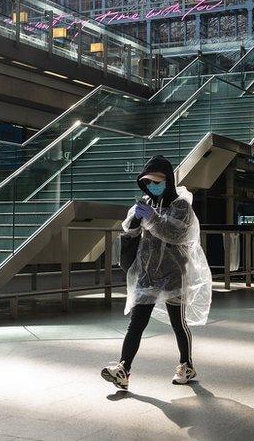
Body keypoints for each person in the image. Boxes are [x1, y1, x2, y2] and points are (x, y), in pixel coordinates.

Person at [101, 156, 212, 390]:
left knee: (178, 322)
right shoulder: (145, 201)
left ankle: (186, 364)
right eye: (147, 182)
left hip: (174, 273)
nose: (152, 185)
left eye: (156, 181)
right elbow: (129, 229)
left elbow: (175, 234)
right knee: (136, 323)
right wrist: (136, 219)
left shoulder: (181, 205)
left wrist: (152, 218)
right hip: (147, 273)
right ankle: (123, 369)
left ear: (168, 181)